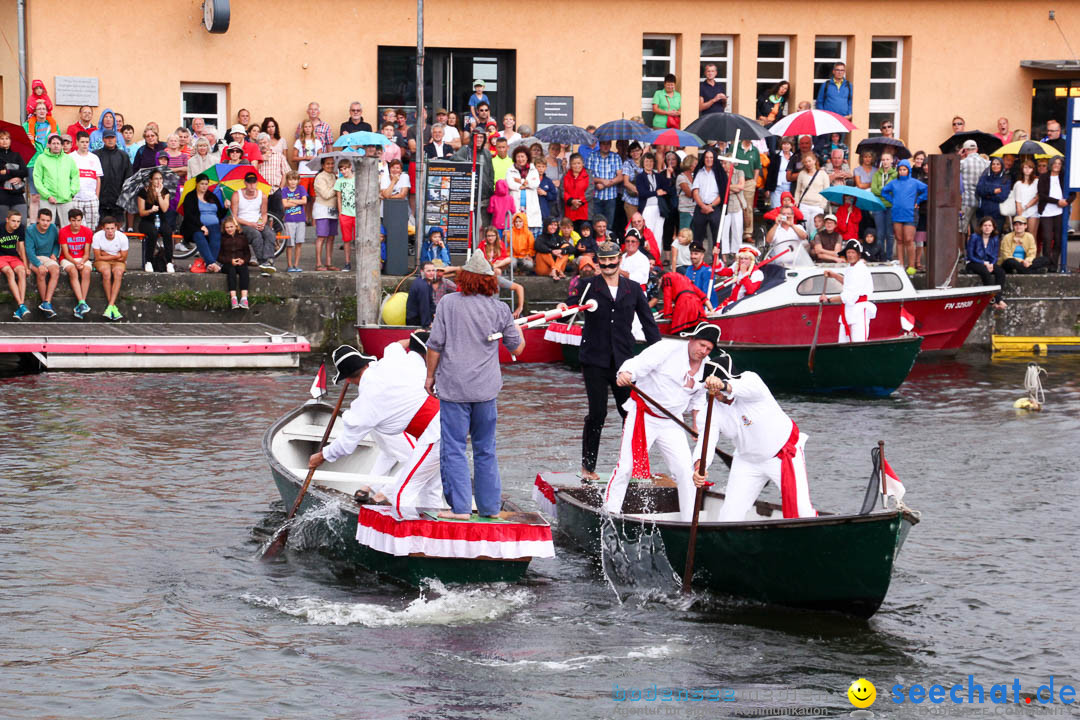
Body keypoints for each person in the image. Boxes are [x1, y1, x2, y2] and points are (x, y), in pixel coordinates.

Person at [425, 252, 523, 519]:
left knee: (454, 448)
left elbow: (435, 345)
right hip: (485, 390)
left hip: (454, 387)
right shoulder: (500, 309)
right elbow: (517, 347)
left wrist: (429, 376)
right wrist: (518, 329)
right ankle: (490, 508)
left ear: (464, 279)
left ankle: (460, 510)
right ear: (489, 281)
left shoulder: (448, 303)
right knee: (485, 449)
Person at [563, 241, 660, 480]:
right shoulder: (588, 286)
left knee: (630, 413)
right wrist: (564, 305)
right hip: (594, 359)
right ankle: (588, 468)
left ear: (620, 259)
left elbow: (649, 324)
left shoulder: (634, 288)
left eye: (612, 259)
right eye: (603, 260)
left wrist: (659, 356)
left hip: (624, 362)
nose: (608, 264)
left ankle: (636, 466)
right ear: (598, 261)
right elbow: (571, 302)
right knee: (597, 414)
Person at [311, 338, 444, 511]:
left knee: (400, 494)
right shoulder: (390, 361)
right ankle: (432, 529)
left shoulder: (365, 402)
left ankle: (407, 535)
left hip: (434, 435)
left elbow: (346, 444)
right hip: (451, 420)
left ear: (348, 380)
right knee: (430, 487)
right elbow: (396, 346)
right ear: (366, 364)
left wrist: (321, 456)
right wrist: (414, 335)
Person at [603, 323, 719, 520]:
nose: (703, 351)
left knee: (685, 471)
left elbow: (698, 400)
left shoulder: (707, 368)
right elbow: (637, 363)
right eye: (701, 345)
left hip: (672, 422)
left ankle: (690, 519)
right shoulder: (666, 348)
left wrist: (694, 427)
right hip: (644, 416)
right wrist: (626, 374)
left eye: (708, 349)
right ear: (691, 340)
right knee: (626, 467)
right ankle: (609, 513)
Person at [698, 349, 816, 521]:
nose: (713, 394)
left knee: (802, 513)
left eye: (714, 388)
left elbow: (740, 388)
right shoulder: (711, 409)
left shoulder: (750, 380)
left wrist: (723, 385)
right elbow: (706, 440)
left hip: (783, 454)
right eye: (709, 388)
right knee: (728, 517)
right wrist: (699, 466)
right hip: (746, 461)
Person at [820, 239, 877, 342]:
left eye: (853, 252)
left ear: (859, 255)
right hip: (848, 309)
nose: (850, 255)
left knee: (858, 342)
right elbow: (848, 283)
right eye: (848, 252)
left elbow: (851, 295)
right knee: (843, 342)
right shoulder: (850, 268)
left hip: (859, 310)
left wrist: (828, 300)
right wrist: (834, 275)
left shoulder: (861, 270)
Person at [882, 158, 929, 272]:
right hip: (897, 213)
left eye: (904, 169)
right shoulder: (894, 183)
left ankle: (911, 265)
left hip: (910, 214)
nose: (902, 171)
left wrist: (918, 201)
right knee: (899, 240)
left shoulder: (914, 182)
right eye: (900, 169)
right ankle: (901, 265)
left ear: (908, 170)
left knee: (909, 240)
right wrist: (893, 200)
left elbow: (927, 189)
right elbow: (884, 191)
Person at [180, 172, 227, 272]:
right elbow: (189, 215)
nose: (204, 186)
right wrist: (201, 226)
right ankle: (212, 263)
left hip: (214, 225)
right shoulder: (190, 196)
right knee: (199, 236)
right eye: (202, 184)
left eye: (206, 184)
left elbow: (220, 214)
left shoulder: (212, 196)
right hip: (195, 226)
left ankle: (208, 264)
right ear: (197, 184)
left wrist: (226, 207)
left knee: (216, 237)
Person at [232, 171, 276, 272]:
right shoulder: (237, 195)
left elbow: (264, 214)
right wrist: (250, 224)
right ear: (245, 183)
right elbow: (234, 217)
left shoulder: (262, 195)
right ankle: (262, 261)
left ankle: (269, 259)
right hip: (243, 224)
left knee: (270, 233)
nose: (252, 185)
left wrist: (262, 223)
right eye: (249, 183)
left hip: (257, 222)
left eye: (254, 182)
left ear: (257, 183)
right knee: (256, 235)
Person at [33, 133, 79, 226]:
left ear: (62, 146)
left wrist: (72, 192)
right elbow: (37, 178)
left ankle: (63, 241)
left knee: (67, 225)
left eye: (58, 144)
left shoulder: (68, 159)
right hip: (47, 199)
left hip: (66, 198)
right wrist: (47, 195)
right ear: (49, 145)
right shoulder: (41, 158)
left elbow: (75, 176)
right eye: (53, 143)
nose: (56, 146)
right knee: (46, 225)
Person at [24, 207, 60, 316]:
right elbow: (29, 250)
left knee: (56, 271)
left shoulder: (53, 228)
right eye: (43, 220)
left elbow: (56, 243)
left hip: (47, 257)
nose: (45, 223)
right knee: (41, 272)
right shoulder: (30, 230)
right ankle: (46, 306)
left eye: (48, 220)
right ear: (38, 219)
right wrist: (39, 264)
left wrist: (54, 253)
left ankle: (46, 303)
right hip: (34, 257)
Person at [1036, 156, 1071, 269]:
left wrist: (1066, 202)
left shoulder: (1064, 177)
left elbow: (1073, 194)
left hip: (1060, 212)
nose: (1057, 165)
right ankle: (1046, 262)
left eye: (1059, 163)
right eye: (1055, 163)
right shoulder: (1044, 177)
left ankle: (1054, 264)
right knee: (1046, 238)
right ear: (1051, 164)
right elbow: (1041, 195)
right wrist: (1057, 201)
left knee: (1058, 239)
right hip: (1046, 211)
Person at [136, 169, 174, 273]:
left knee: (168, 232)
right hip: (147, 220)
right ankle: (148, 261)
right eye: (156, 179)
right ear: (151, 180)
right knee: (152, 232)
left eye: (160, 178)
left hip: (161, 219)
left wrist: (158, 194)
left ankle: (169, 262)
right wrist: (150, 210)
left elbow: (165, 208)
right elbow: (141, 212)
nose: (159, 181)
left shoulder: (165, 191)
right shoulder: (143, 192)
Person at [966, 217, 1008, 309]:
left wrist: (992, 264)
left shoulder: (995, 238)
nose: (987, 227)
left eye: (990, 225)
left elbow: (995, 255)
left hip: (988, 263)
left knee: (1000, 272)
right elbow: (970, 256)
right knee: (985, 273)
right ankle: (996, 299)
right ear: (981, 227)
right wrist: (984, 263)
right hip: (974, 262)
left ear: (993, 228)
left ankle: (997, 299)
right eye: (985, 225)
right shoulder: (974, 237)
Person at [57, 208, 93, 317]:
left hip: (82, 258)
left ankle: (82, 302)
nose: (76, 223)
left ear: (81, 220)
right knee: (73, 271)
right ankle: (82, 302)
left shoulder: (87, 231)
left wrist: (82, 261)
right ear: (69, 220)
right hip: (67, 258)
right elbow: (65, 253)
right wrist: (75, 262)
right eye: (73, 220)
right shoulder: (63, 231)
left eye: (78, 220)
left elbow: (87, 253)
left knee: (86, 271)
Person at [691, 147, 728, 249]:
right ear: (703, 159)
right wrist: (703, 206)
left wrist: (710, 206)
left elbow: (722, 193)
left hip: (714, 208)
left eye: (711, 157)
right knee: (697, 237)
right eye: (707, 157)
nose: (709, 160)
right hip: (700, 208)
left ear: (714, 159)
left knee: (717, 238)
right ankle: (698, 261)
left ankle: (716, 262)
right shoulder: (699, 172)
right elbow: (695, 192)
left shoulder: (720, 173)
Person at [92, 217, 128, 320]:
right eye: (107, 228)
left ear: (116, 228)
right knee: (106, 273)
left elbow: (123, 257)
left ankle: (110, 306)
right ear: (103, 228)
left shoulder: (122, 237)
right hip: (103, 261)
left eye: (112, 228)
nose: (110, 231)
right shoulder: (97, 236)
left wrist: (105, 254)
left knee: (118, 272)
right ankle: (112, 306)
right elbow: (97, 257)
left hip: (118, 261)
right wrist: (115, 256)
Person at [94, 130, 131, 222]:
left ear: (116, 139)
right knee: (100, 229)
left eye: (112, 137)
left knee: (116, 230)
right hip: (100, 201)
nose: (110, 140)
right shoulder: (96, 155)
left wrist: (124, 196)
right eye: (107, 138)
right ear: (103, 139)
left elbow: (128, 177)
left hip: (117, 201)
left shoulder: (123, 156)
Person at [68, 131, 103, 231]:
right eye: (82, 142)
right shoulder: (71, 157)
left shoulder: (94, 158)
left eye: (87, 142)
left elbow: (98, 178)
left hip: (91, 199)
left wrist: (97, 196)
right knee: (77, 227)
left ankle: (89, 246)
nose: (85, 144)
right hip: (76, 198)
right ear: (77, 142)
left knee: (91, 228)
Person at [585, 141, 623, 228]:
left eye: (608, 144)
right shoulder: (592, 156)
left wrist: (605, 184)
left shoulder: (615, 157)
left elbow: (620, 177)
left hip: (610, 197)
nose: (606, 146)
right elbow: (587, 177)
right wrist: (601, 180)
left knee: (609, 225)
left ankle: (608, 241)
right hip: (595, 196)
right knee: (595, 224)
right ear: (600, 144)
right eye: (603, 144)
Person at [0, 210, 30, 319]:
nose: (15, 224)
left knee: (22, 272)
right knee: (9, 272)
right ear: (7, 220)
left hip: (13, 257)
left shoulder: (20, 228)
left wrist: (26, 267)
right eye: (13, 221)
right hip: (1, 257)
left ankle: (21, 307)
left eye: (18, 221)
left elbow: (21, 248)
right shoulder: (1, 228)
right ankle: (21, 305)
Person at [218, 216, 251, 309]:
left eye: (231, 227)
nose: (229, 229)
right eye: (227, 227)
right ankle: (234, 298)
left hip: (240, 262)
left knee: (244, 270)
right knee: (231, 271)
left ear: (236, 227)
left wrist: (243, 260)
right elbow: (219, 256)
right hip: (227, 263)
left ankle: (244, 298)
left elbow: (248, 254)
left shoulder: (242, 238)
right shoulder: (222, 239)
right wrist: (230, 261)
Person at [718, 244, 765, 309]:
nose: (743, 261)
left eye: (746, 259)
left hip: (744, 304)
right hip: (731, 301)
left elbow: (751, 291)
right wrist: (716, 256)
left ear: (752, 260)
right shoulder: (737, 267)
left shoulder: (757, 273)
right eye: (741, 258)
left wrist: (744, 273)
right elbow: (722, 272)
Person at [506, 147, 541, 234]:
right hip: (516, 204)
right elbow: (510, 184)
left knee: (530, 233)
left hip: (530, 206)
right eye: (518, 157)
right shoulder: (510, 170)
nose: (520, 159)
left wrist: (520, 181)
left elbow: (535, 183)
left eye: (522, 156)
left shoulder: (533, 169)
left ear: (527, 157)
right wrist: (525, 184)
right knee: (516, 231)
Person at [870, 152, 898, 258]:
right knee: (880, 233)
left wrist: (881, 190)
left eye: (887, 159)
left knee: (890, 234)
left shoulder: (895, 174)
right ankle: (880, 256)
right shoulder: (877, 174)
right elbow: (873, 189)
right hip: (878, 205)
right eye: (883, 159)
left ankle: (889, 257)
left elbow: (893, 190)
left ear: (892, 161)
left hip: (891, 205)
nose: (885, 162)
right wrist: (884, 190)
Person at [280, 171, 308, 271]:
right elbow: (285, 204)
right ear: (287, 180)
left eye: (295, 179)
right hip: (289, 220)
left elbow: (304, 201)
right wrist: (298, 202)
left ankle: (296, 265)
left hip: (300, 219)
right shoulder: (284, 190)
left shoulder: (301, 188)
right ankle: (289, 265)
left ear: (298, 180)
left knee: (299, 242)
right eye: (290, 179)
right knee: (290, 243)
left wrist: (291, 201)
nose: (292, 182)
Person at [959, 139, 988, 234]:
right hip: (982, 200)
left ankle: (961, 249)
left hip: (966, 200)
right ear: (977, 149)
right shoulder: (987, 163)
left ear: (965, 150)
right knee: (978, 228)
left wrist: (958, 157)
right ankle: (978, 248)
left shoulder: (962, 163)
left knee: (961, 228)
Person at [0, 129, 29, 223]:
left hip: (17, 194)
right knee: (3, 225)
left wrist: (8, 172)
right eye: (2, 138)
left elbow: (25, 172)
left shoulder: (16, 155)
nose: (5, 141)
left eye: (7, 138)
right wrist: (16, 174)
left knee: (22, 223)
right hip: (2, 196)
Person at [975, 157, 1010, 233]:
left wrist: (987, 195)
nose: (995, 166)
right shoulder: (984, 177)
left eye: (998, 164)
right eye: (993, 164)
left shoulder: (1006, 179)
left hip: (997, 214)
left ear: (1001, 166)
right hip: (983, 212)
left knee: (995, 236)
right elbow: (979, 190)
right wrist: (993, 191)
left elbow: (1002, 197)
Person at [794, 153, 829, 229]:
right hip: (804, 205)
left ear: (814, 161)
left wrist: (822, 205)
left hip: (817, 205)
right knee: (804, 228)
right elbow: (798, 190)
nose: (808, 164)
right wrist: (796, 201)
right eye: (806, 162)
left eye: (809, 161)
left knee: (816, 229)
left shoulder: (823, 174)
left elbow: (826, 191)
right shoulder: (802, 174)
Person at [333, 158, 356, 272]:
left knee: (360, 239)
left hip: (357, 214)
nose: (343, 171)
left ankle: (361, 261)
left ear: (350, 167)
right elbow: (339, 197)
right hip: (345, 214)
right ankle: (347, 262)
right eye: (341, 169)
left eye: (345, 169)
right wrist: (341, 212)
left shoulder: (357, 179)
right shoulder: (339, 181)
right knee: (346, 240)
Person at [682, 241, 718, 307]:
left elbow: (705, 293)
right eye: (691, 254)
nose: (692, 256)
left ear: (702, 255)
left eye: (696, 254)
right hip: (692, 304)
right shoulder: (689, 269)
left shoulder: (707, 270)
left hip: (707, 306)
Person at [562, 153, 592, 228]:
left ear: (582, 164)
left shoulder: (588, 175)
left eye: (579, 163)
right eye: (574, 163)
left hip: (584, 211)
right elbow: (562, 191)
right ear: (570, 165)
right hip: (570, 210)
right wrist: (571, 201)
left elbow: (590, 191)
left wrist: (578, 202)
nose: (577, 166)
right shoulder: (565, 176)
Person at [1013, 159, 1039, 240]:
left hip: (1033, 211)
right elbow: (1017, 200)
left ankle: (1032, 253)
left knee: (1031, 235)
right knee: (1020, 235)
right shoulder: (1018, 183)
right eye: (1025, 167)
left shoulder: (1037, 181)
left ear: (1033, 169)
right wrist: (1020, 213)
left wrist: (1027, 206)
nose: (1027, 170)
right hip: (1021, 211)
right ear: (1022, 169)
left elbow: (1037, 197)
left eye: (1029, 168)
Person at [406, 261, 437, 328]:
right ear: (422, 271)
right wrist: (428, 324)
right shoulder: (423, 286)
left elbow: (430, 302)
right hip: (415, 320)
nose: (432, 273)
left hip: (419, 316)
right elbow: (424, 306)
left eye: (433, 270)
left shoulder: (427, 281)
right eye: (428, 271)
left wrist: (435, 313)